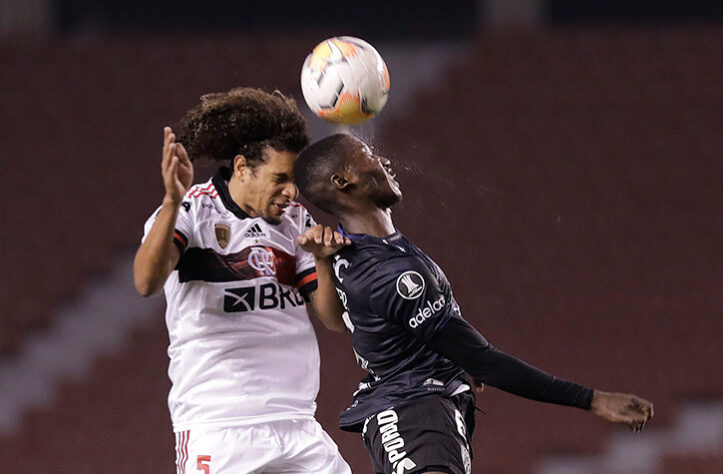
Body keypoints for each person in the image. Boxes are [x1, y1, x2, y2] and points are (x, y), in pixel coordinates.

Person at [293, 133, 654, 474]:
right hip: (413, 407)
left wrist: (322, 261)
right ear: (343, 182)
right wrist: (593, 400)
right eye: (369, 156)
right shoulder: (395, 275)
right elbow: (485, 361)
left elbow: (336, 321)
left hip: (423, 402)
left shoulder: (348, 245)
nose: (384, 160)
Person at [133, 88, 351, 474]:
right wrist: (170, 200)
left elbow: (333, 320)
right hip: (220, 426)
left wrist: (321, 260)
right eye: (280, 178)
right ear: (242, 167)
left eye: (296, 179)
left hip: (297, 423)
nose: (292, 191)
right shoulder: (192, 211)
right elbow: (147, 282)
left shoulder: (296, 222)